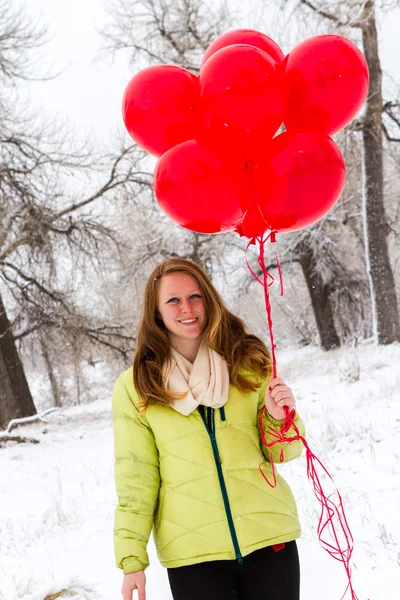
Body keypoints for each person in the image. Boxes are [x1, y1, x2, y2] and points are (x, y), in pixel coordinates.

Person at [112, 257, 305, 600]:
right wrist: (132, 560)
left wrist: (278, 416)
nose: (186, 307)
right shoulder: (138, 386)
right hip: (193, 555)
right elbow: (136, 478)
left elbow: (285, 451)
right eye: (173, 300)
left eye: (195, 296)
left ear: (209, 299)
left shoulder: (247, 361)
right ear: (156, 312)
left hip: (269, 539)